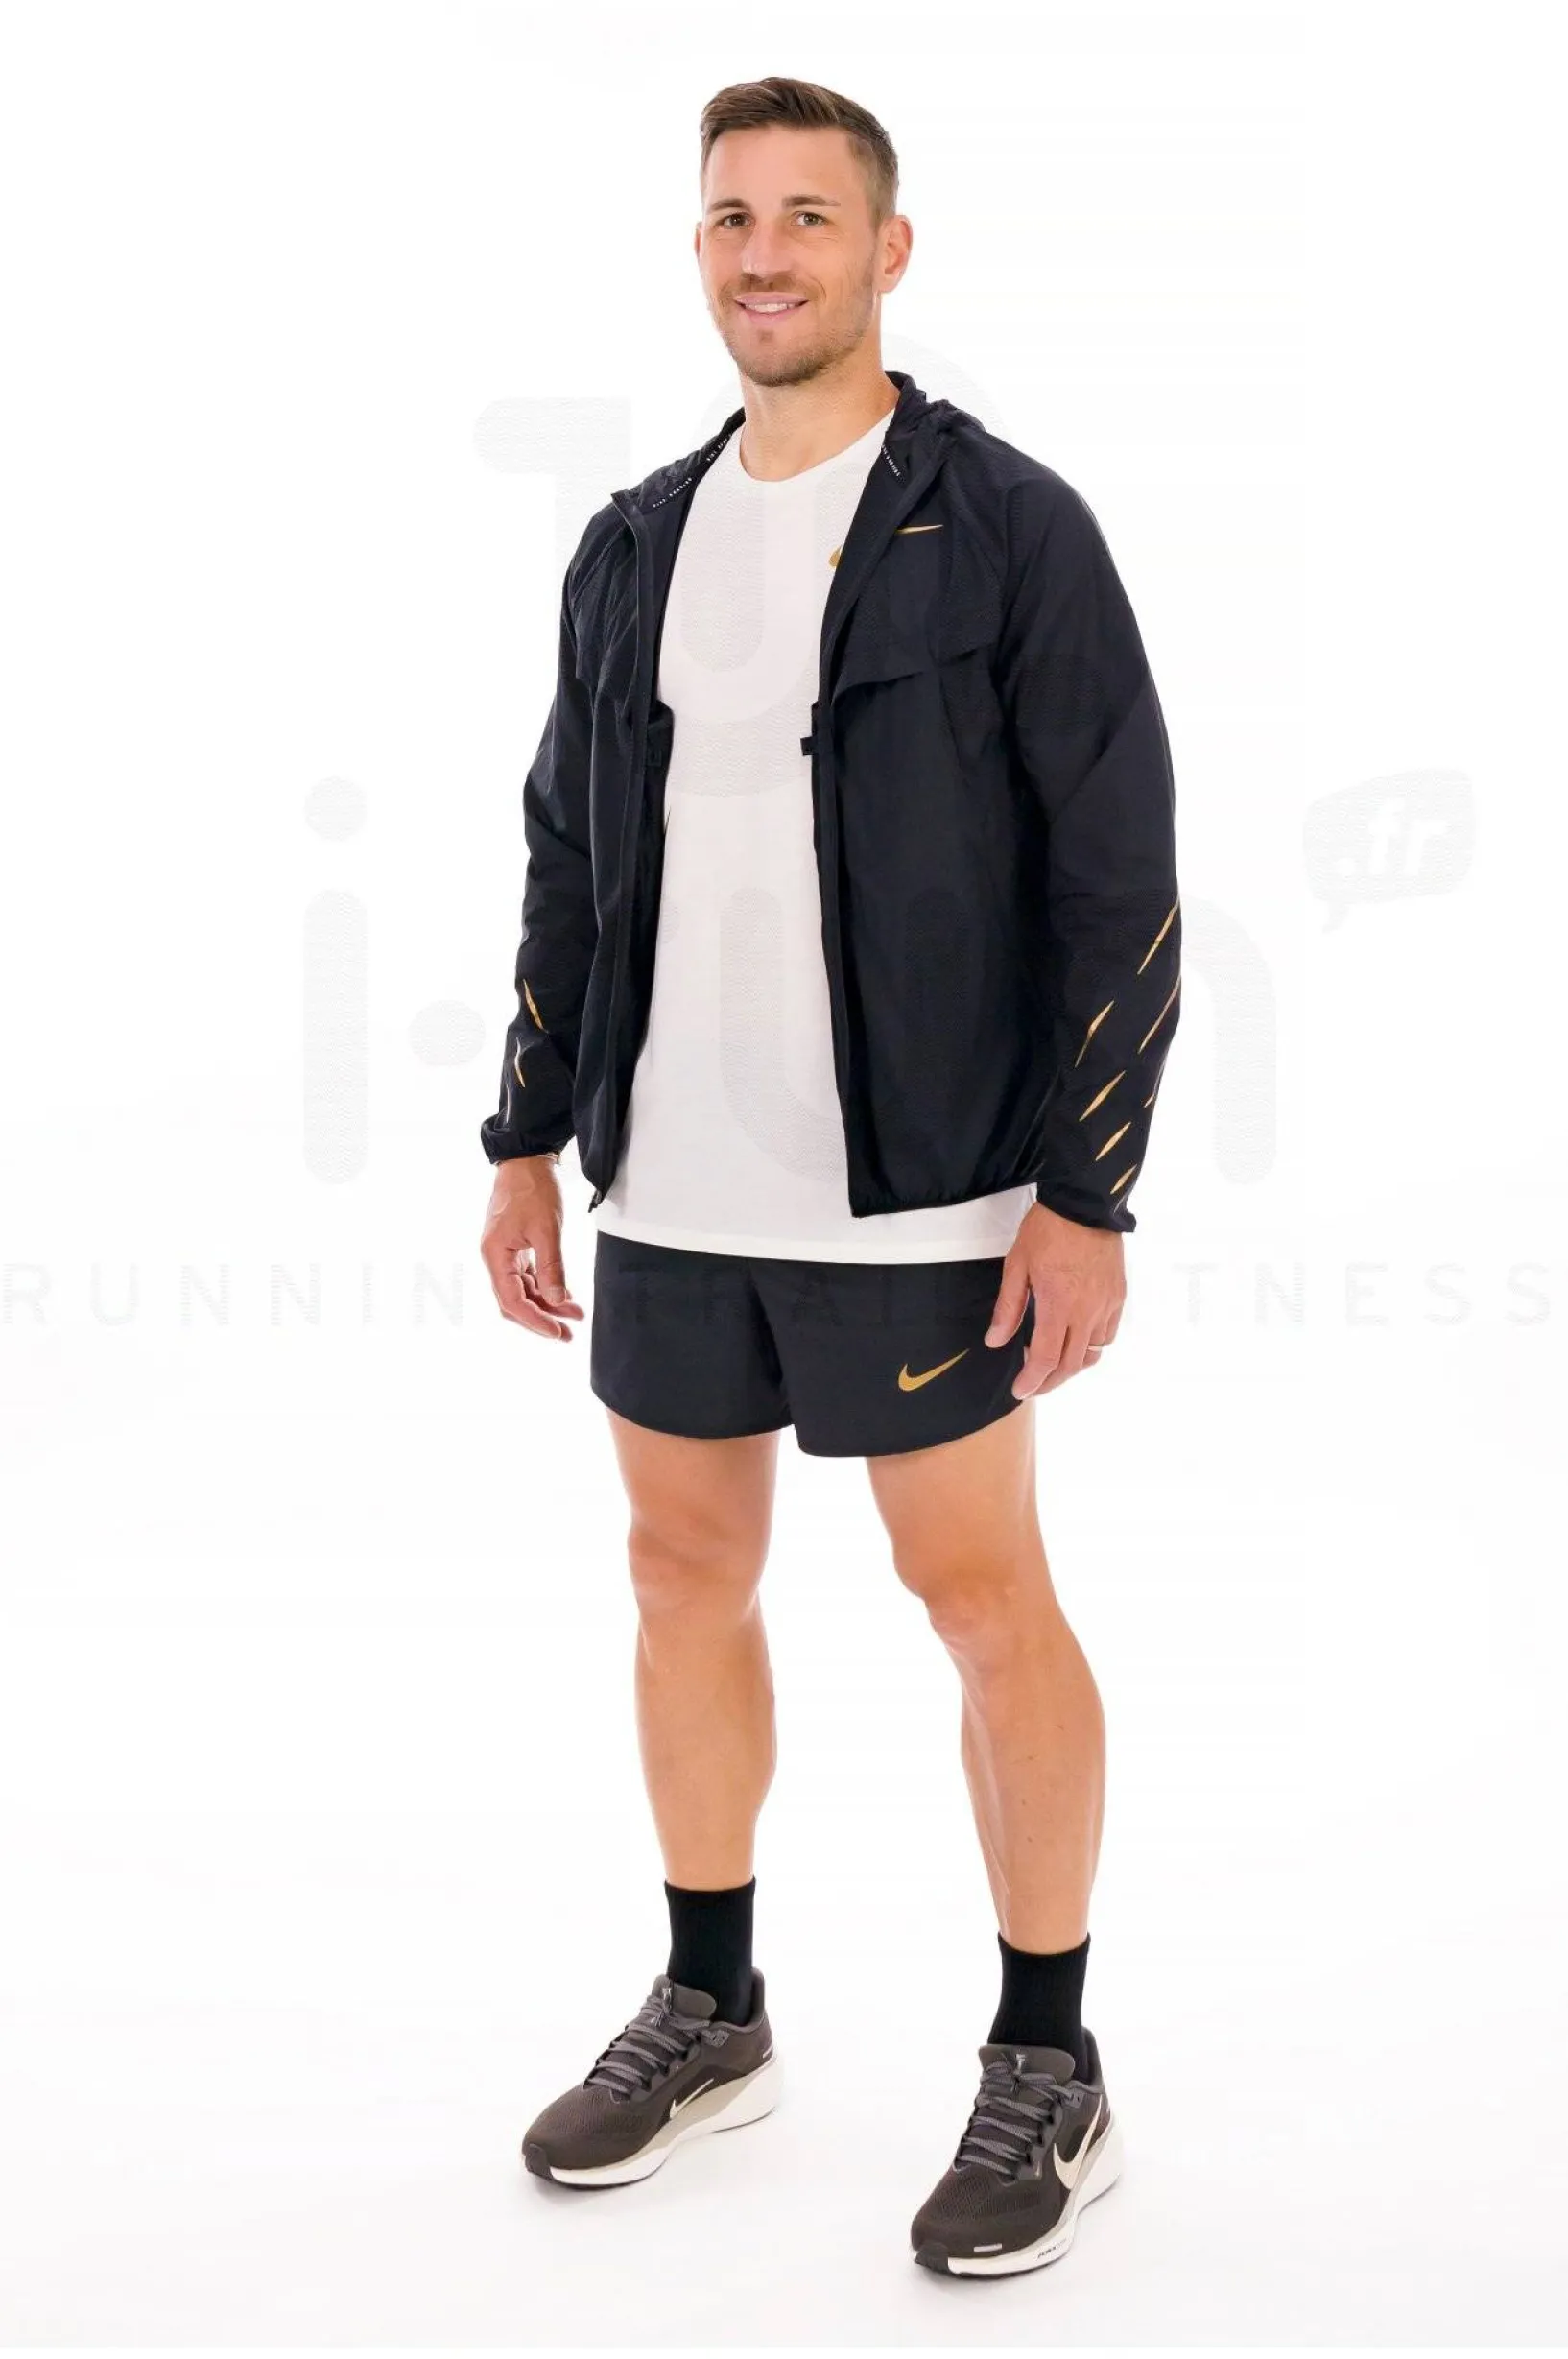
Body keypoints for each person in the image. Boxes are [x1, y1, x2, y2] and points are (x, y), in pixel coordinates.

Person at [478, 74, 1180, 2278]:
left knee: (978, 1597)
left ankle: (1050, 2056)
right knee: (678, 1569)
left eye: (806, 215)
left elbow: (1117, 868)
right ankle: (713, 2002)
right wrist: (524, 1131)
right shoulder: (634, 538)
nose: (763, 253)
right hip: (673, 1183)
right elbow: (569, 850)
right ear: (698, 251)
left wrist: (1088, 1186)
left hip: (930, 1194)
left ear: (888, 250)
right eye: (729, 217)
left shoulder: (1011, 525)